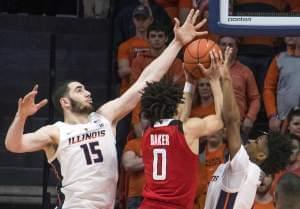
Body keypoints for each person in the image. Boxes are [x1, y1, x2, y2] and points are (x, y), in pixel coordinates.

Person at [4, 9, 208, 209]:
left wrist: (177, 43)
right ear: (65, 102)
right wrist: (21, 116)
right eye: (79, 90)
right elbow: (14, 145)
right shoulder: (56, 132)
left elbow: (144, 81)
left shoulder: (105, 116)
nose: (87, 92)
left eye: (85, 88)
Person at [204, 47, 293, 209]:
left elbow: (232, 121)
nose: (251, 140)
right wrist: (213, 81)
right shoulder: (244, 170)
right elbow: (226, 119)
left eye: (257, 141)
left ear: (260, 155)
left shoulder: (245, 169)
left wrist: (225, 77)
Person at [139, 50, 225, 209]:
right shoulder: (188, 129)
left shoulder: (147, 133)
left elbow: (179, 118)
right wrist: (214, 80)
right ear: (174, 104)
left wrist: (190, 82)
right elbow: (221, 120)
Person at [218, 35, 260, 142]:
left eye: (230, 45)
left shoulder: (245, 71)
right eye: (223, 44)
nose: (226, 47)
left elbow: (255, 98)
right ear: (217, 47)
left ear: (236, 49)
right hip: (213, 124)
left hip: (238, 125)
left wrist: (250, 118)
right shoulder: (210, 68)